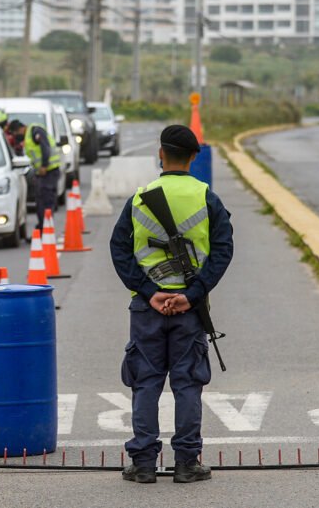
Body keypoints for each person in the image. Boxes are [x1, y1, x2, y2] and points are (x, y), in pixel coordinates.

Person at [109, 125, 234, 484]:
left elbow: (119, 250)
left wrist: (149, 291)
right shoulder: (207, 197)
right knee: (188, 383)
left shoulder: (139, 198)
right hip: (189, 310)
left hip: (147, 308)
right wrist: (190, 296)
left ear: (160, 153)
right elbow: (223, 250)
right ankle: (186, 462)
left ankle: (144, 463)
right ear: (194, 157)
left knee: (145, 382)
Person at [7, 119, 60, 231]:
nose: (16, 136)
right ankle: (43, 227)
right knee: (40, 201)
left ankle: (46, 228)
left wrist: (44, 166)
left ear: (21, 129)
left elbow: (45, 148)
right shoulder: (28, 137)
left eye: (16, 133)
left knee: (46, 201)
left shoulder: (35, 131)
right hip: (41, 173)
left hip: (49, 171)